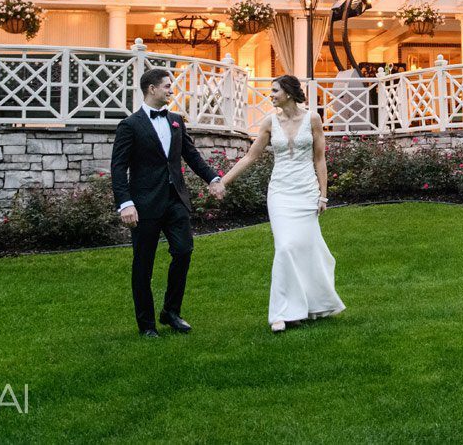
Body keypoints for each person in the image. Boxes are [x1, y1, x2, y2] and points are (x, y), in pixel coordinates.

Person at [221, 74, 345, 332]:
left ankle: (302, 308)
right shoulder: (269, 122)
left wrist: (323, 194)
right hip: (280, 192)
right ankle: (280, 313)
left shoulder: (313, 119)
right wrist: (223, 181)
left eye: (275, 91)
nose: (271, 95)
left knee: (303, 248)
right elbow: (251, 157)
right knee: (285, 247)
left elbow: (320, 159)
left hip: (305, 190)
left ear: (288, 93)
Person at [111, 68, 226, 337]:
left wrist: (213, 179)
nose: (171, 90)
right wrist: (125, 203)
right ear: (151, 89)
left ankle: (171, 312)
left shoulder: (176, 120)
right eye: (166, 86)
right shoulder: (130, 125)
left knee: (184, 251)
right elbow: (118, 168)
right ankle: (147, 325)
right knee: (143, 264)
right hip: (144, 203)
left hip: (175, 200)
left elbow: (191, 155)